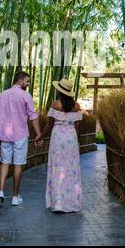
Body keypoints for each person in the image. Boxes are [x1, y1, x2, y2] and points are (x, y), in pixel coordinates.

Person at [0, 71, 43, 208]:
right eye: (27, 81)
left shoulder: (2, 95)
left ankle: (0, 192)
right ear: (20, 80)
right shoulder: (25, 95)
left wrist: (0, 132)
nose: (28, 84)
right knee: (18, 164)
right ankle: (15, 197)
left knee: (4, 162)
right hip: (20, 135)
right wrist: (38, 134)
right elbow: (33, 116)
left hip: (5, 135)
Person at [40, 78, 83, 213]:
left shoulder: (55, 105)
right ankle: (72, 203)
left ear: (59, 90)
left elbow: (49, 124)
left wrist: (40, 136)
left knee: (57, 168)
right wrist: (77, 142)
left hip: (58, 138)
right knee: (71, 169)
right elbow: (77, 127)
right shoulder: (76, 106)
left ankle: (58, 204)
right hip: (71, 138)